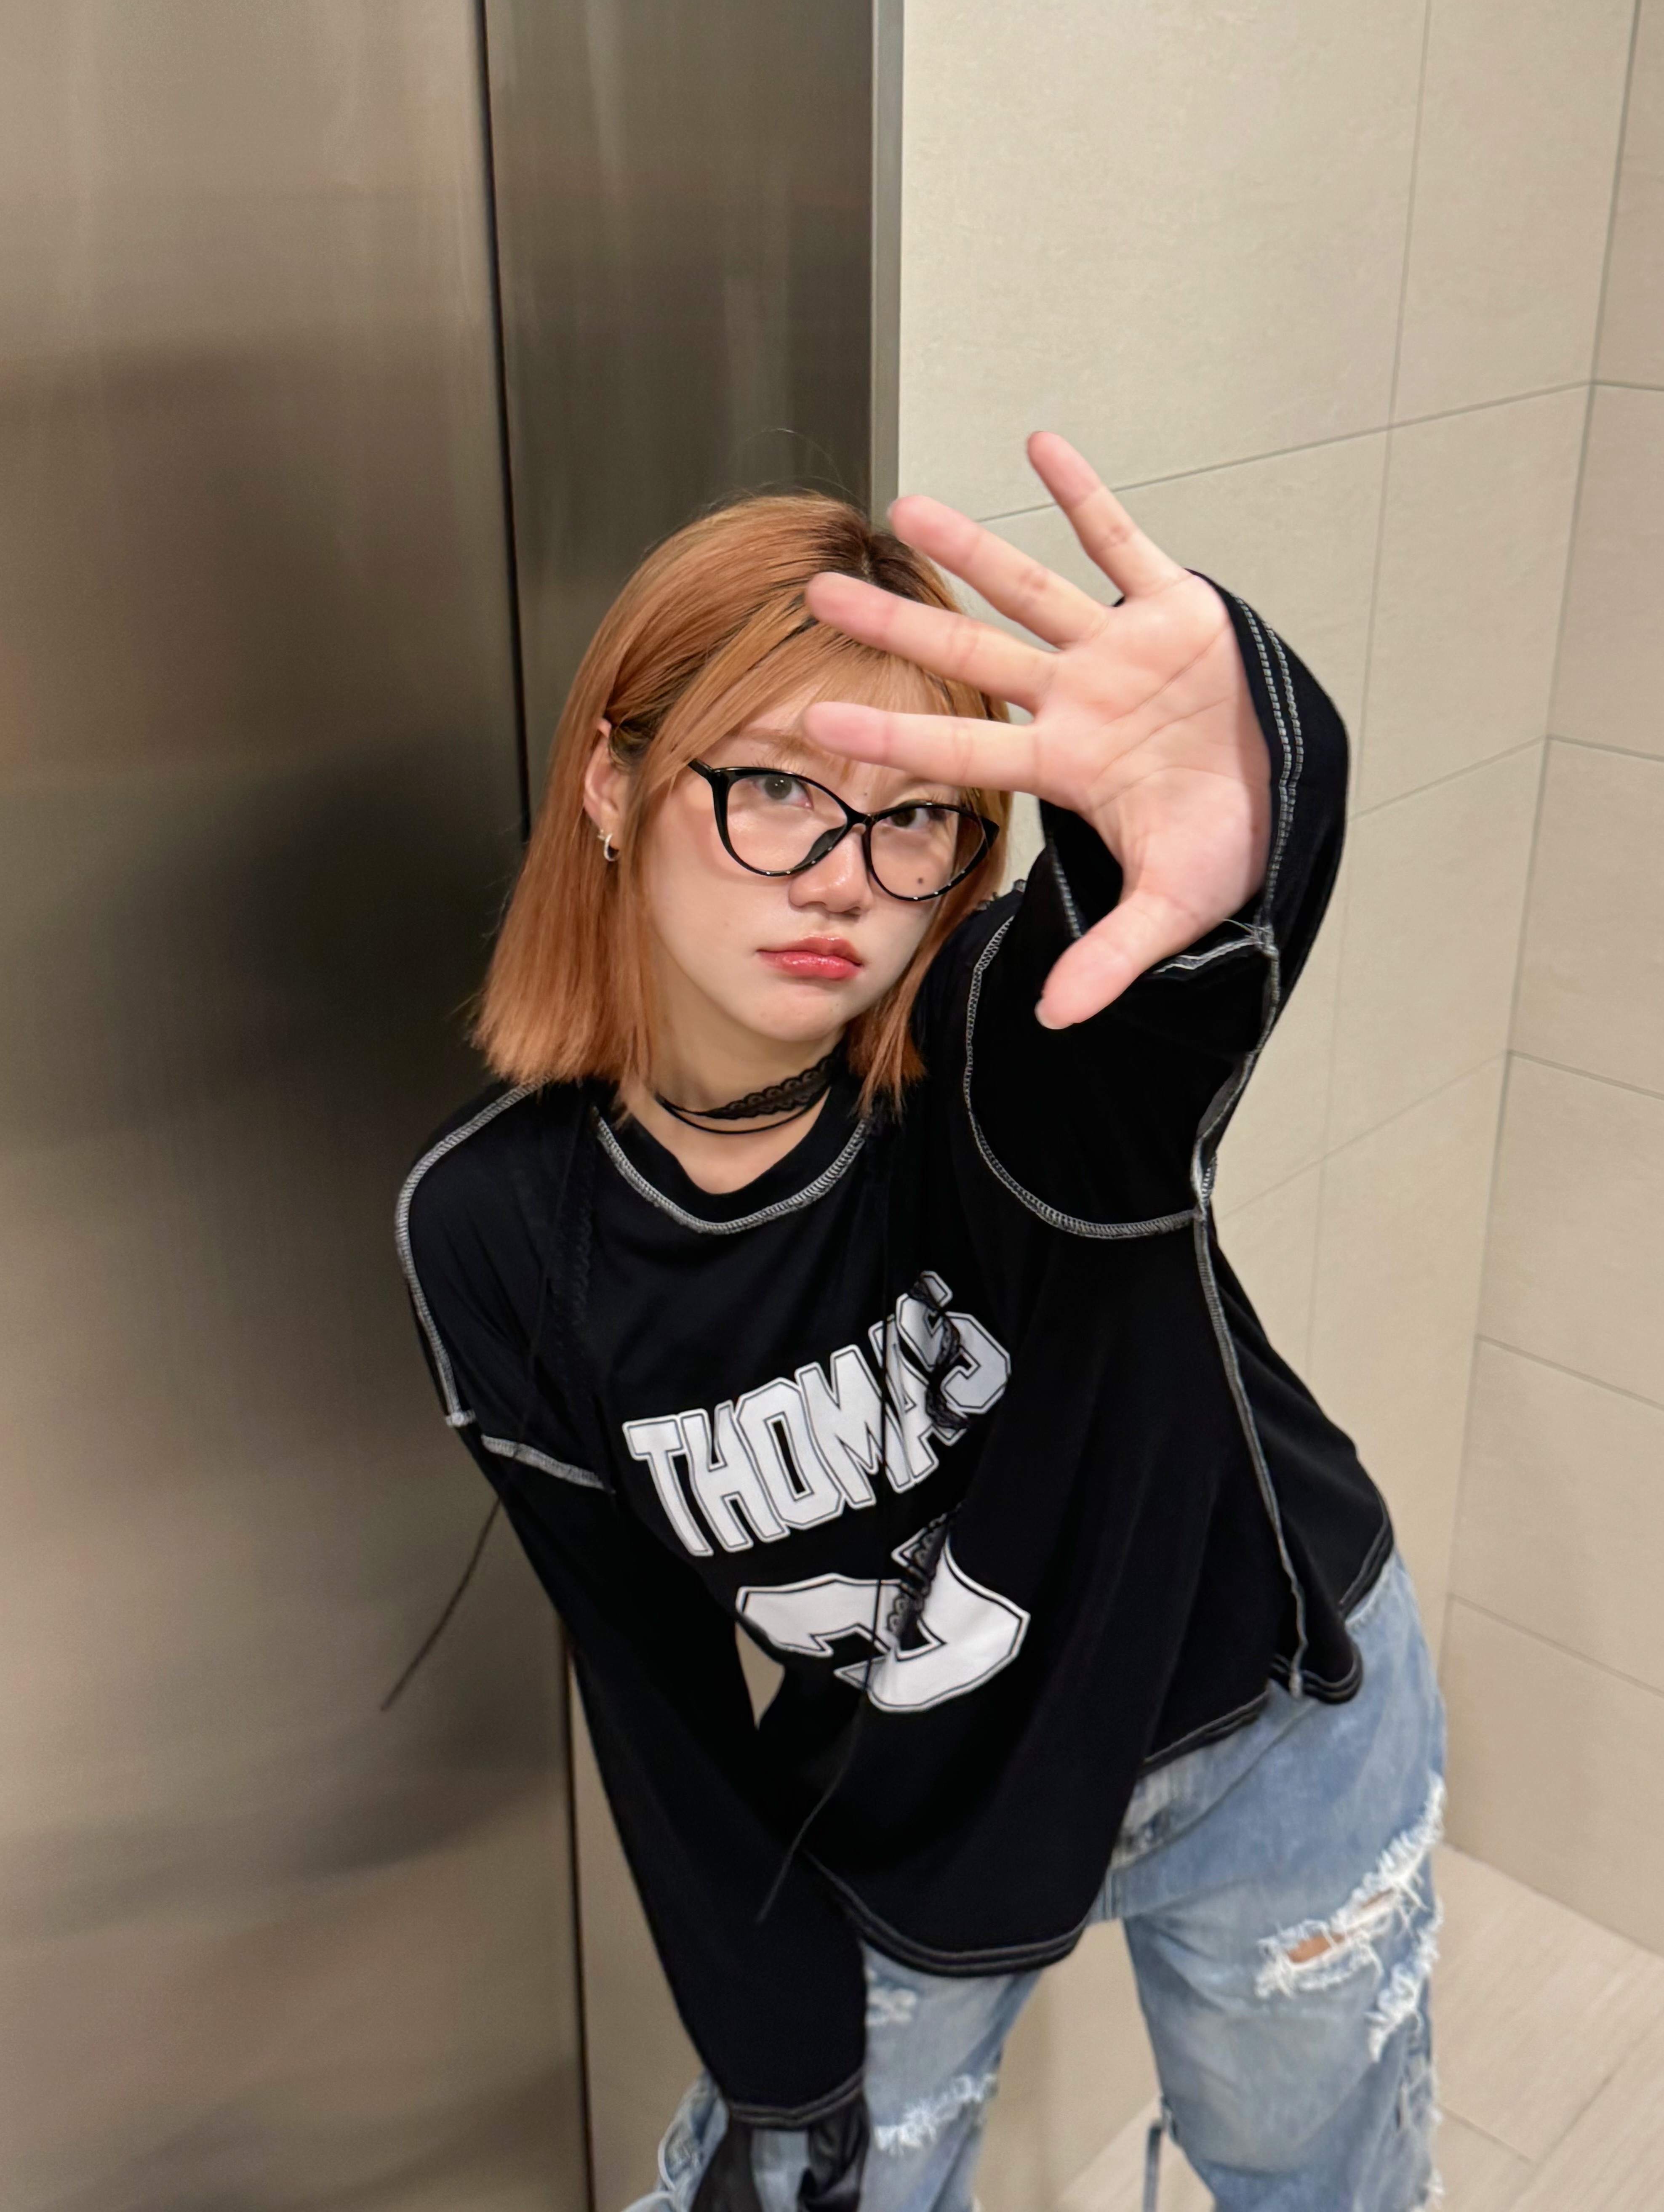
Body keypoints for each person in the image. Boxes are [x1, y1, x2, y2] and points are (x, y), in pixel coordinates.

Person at [397, 434, 1447, 2212]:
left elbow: (1154, 988)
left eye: (910, 821)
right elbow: (656, 1699)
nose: (841, 878)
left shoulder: (995, 1056)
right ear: (612, 784)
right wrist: (778, 2069)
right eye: (776, 789)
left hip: (1263, 1723)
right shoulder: (493, 1233)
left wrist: (1250, 794)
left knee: (1322, 2189)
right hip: (920, 1795)